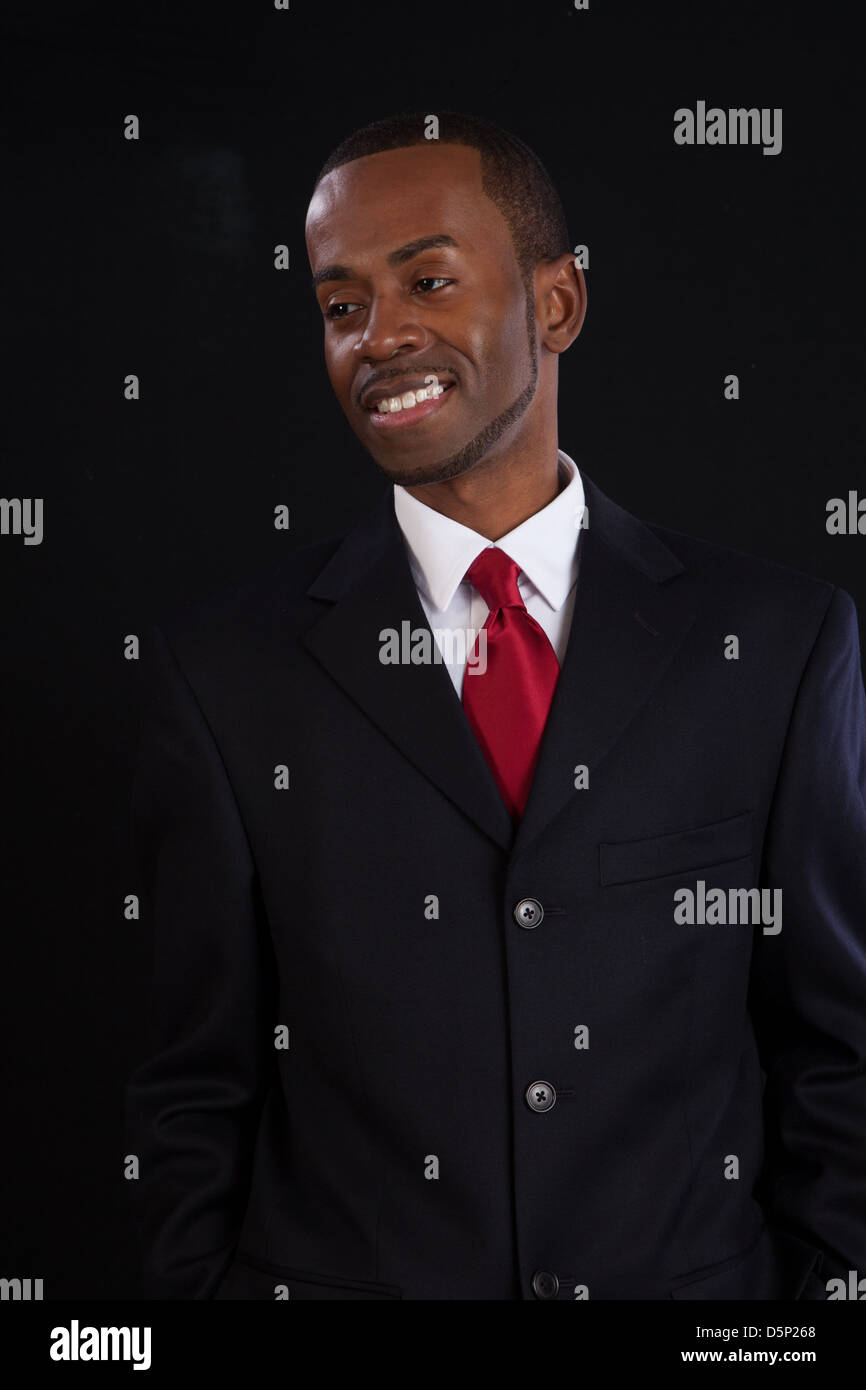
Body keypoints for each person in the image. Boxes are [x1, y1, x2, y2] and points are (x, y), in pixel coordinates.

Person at [125, 111, 866, 1300]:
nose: (379, 336)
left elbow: (837, 1052)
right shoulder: (219, 673)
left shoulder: (777, 644)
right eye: (339, 304)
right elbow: (196, 1085)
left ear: (556, 305)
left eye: (427, 279)